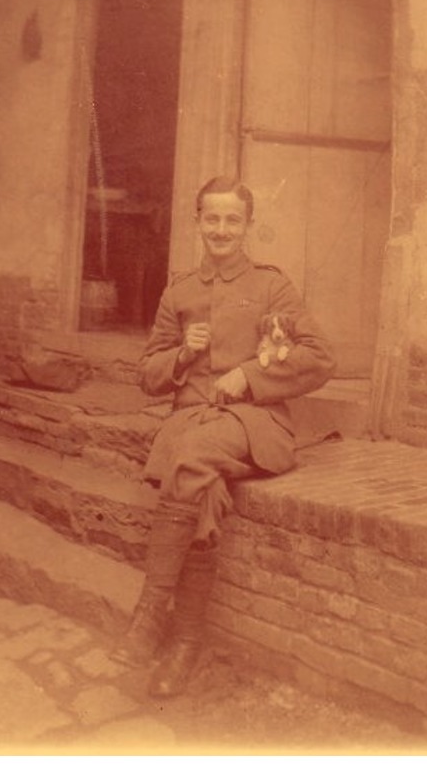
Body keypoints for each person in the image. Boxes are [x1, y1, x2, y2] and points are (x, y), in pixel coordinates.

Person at [111, 175, 335, 697]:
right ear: (197, 223)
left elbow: (320, 358)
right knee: (201, 488)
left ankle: (149, 616)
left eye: (232, 219)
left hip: (253, 422)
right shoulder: (180, 291)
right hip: (192, 422)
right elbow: (147, 376)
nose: (221, 229)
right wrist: (184, 355)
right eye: (211, 218)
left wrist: (251, 377)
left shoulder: (271, 287)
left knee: (189, 460)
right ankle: (186, 642)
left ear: (248, 226)